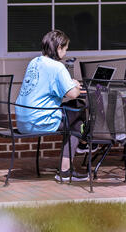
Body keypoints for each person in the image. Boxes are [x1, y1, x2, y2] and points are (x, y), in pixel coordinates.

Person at [15, 29, 87, 182]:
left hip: (22, 120)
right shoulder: (57, 67)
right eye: (65, 49)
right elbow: (73, 94)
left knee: (72, 111)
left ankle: (80, 144)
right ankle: (67, 167)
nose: (66, 53)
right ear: (59, 48)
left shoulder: (34, 62)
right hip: (39, 120)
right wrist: (74, 84)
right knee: (78, 112)